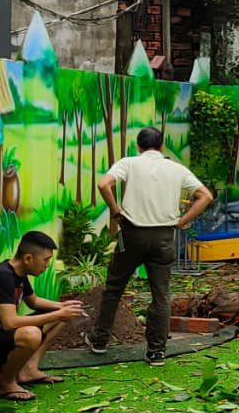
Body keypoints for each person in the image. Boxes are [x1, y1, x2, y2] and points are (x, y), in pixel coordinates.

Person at [89, 128, 213, 365]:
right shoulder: (176, 169)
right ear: (162, 147)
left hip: (132, 234)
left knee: (114, 288)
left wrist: (115, 211)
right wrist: (183, 221)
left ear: (138, 146)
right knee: (161, 295)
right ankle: (156, 351)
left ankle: (99, 341)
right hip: (164, 237)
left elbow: (104, 184)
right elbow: (205, 196)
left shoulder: (129, 163)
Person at [0, 231, 85, 402]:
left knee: (62, 317)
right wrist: (58, 313)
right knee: (31, 334)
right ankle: (5, 384)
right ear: (28, 258)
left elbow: (34, 302)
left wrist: (62, 307)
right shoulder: (2, 276)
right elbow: (10, 322)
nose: (47, 265)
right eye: (45, 260)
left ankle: (29, 369)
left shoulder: (18, 274)